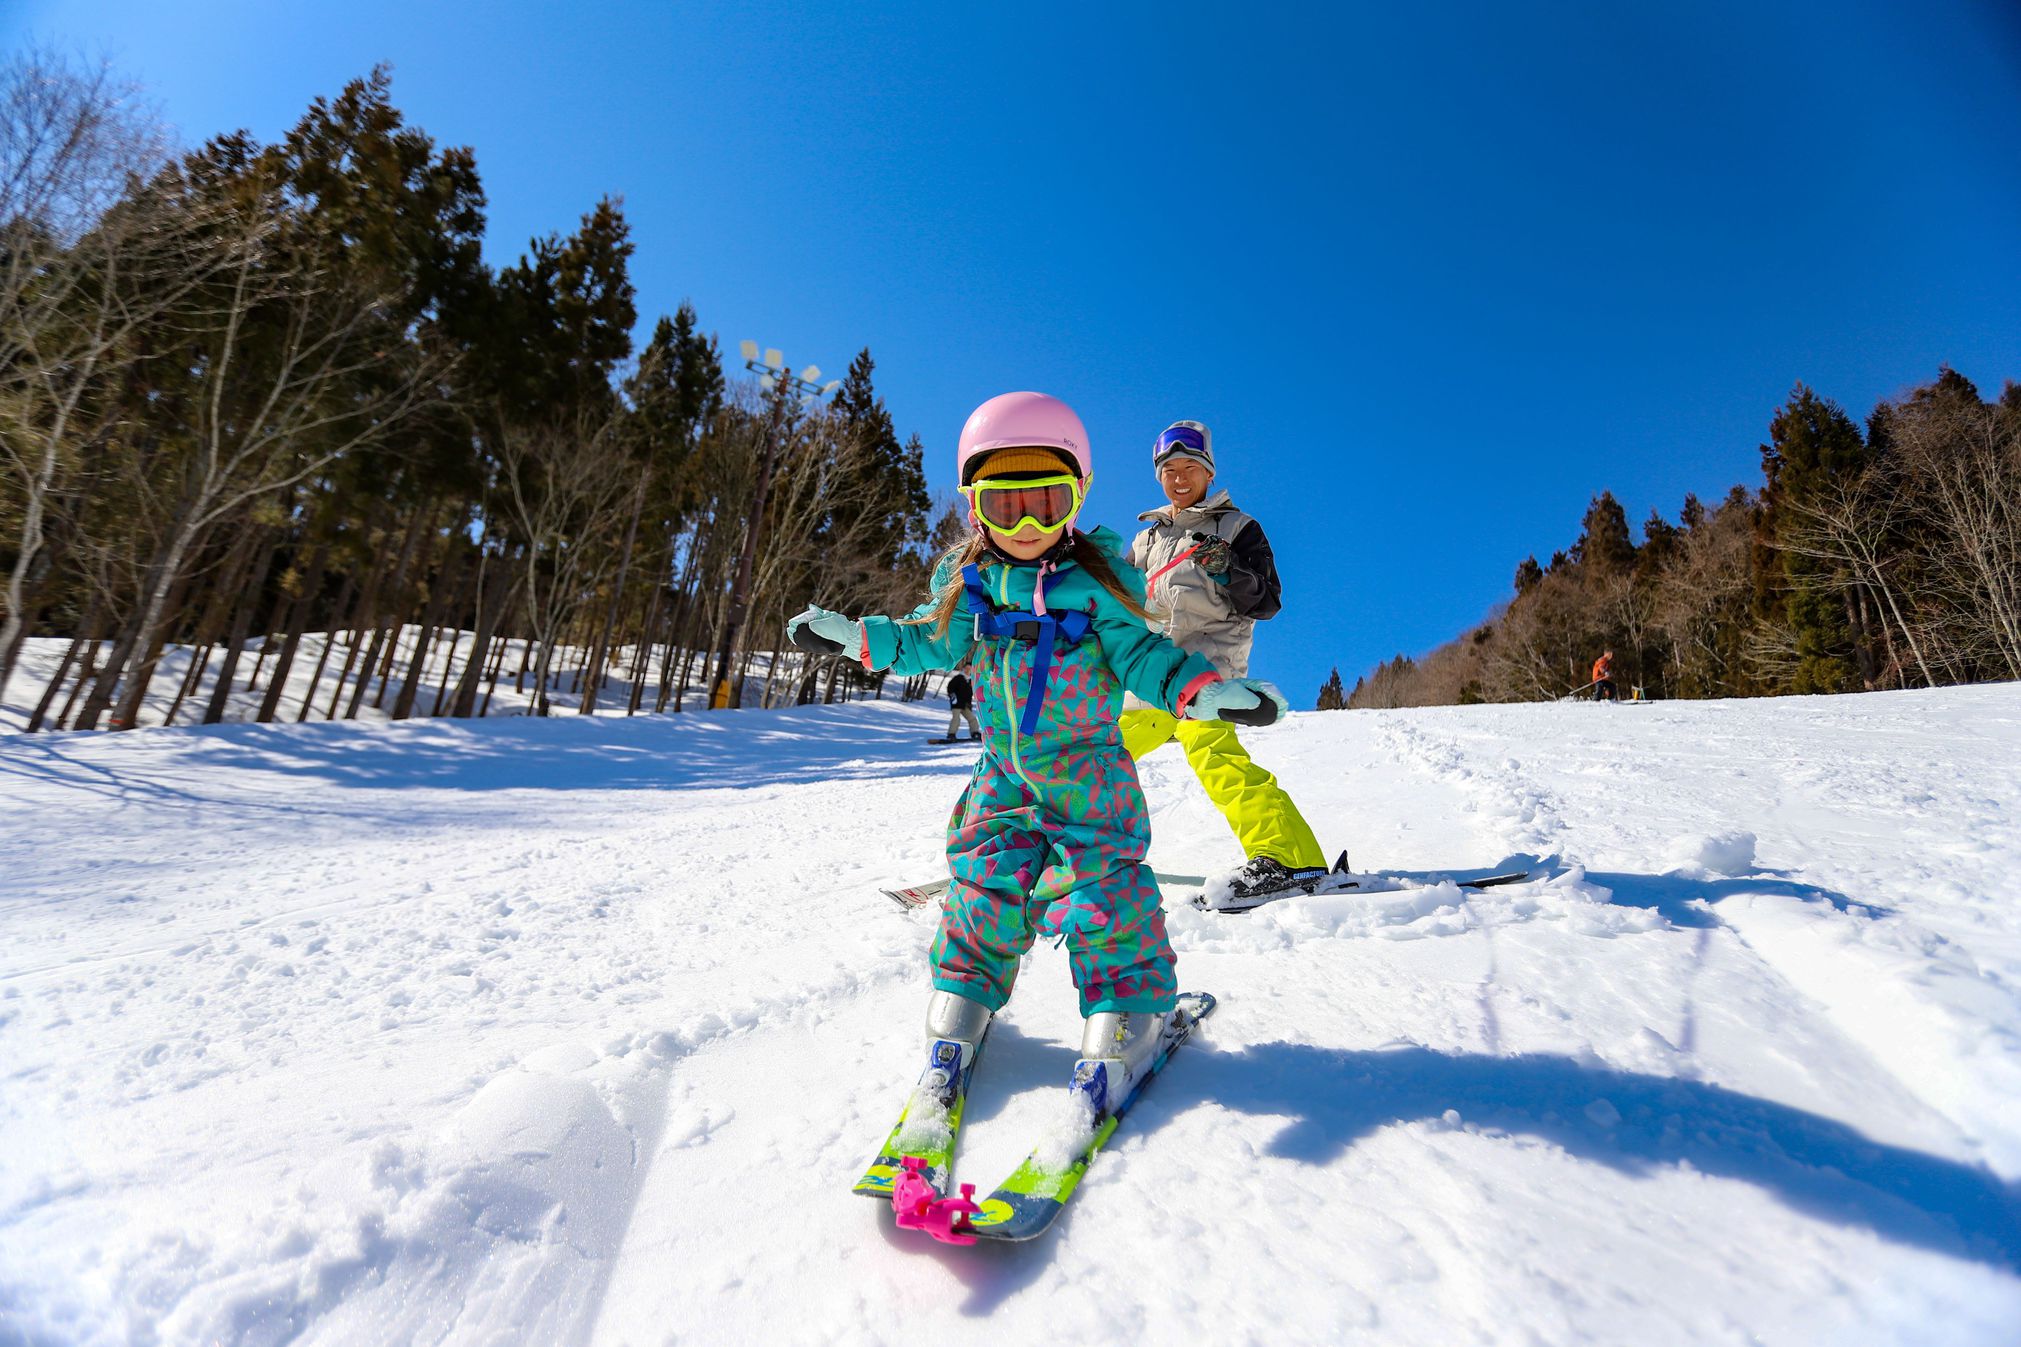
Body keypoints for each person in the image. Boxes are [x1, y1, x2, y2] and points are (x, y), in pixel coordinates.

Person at [787, 392, 1286, 1143]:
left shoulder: (1099, 584)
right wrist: (859, 639)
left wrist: (1204, 692)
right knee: (981, 888)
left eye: (1044, 502)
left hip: (1089, 775)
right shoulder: (970, 582)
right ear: (974, 504)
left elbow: (1147, 658)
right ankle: (961, 1005)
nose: (1025, 525)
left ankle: (1129, 1011)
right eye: (1005, 503)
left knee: (1105, 895)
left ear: (1075, 498)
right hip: (1004, 780)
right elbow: (924, 641)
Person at [1121, 420, 1328, 905]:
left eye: (1190, 467)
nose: (1179, 478)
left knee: (1216, 759)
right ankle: (1050, 853)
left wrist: (1229, 569)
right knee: (1097, 754)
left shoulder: (1238, 529)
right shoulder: (1147, 541)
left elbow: (1267, 601)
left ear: (1208, 473)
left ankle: (1290, 859)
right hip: (1153, 678)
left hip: (1207, 677)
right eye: (1169, 469)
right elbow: (1119, 604)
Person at [943, 670, 979, 740]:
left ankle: (975, 733)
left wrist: (969, 704)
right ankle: (951, 734)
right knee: (956, 719)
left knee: (972, 719)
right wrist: (953, 697)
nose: (968, 670)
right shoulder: (958, 678)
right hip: (956, 704)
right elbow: (950, 688)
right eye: (967, 668)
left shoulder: (970, 680)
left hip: (965, 705)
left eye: (970, 668)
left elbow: (969, 694)